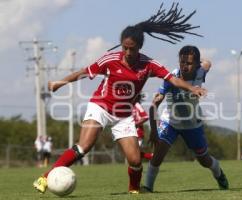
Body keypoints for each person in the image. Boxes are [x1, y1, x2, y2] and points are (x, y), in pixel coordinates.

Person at [33, 3, 207, 194]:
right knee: (84, 147)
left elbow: (172, 79)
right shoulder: (110, 59)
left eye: (132, 49)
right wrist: (60, 82)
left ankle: (134, 190)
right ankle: (45, 178)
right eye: (125, 48)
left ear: (139, 47)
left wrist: (192, 87)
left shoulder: (148, 64)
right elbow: (83, 72)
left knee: (135, 160)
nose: (128, 53)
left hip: (124, 115)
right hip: (101, 106)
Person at [143, 45, 229, 192]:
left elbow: (207, 63)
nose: (184, 66)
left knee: (204, 160)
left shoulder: (200, 72)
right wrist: (153, 131)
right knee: (157, 155)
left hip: (192, 124)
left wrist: (198, 59)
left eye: (189, 63)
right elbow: (153, 105)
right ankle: (148, 188)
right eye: (182, 62)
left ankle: (219, 173)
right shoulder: (171, 78)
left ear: (196, 64)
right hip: (170, 122)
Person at [132, 94, 153, 160]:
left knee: (133, 153)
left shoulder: (137, 105)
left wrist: (136, 124)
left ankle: (154, 157)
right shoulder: (128, 106)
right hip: (129, 132)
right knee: (131, 153)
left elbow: (145, 117)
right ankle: (153, 156)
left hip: (138, 133)